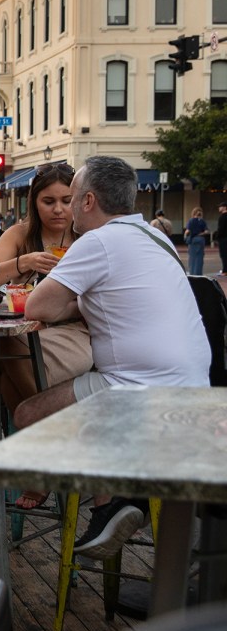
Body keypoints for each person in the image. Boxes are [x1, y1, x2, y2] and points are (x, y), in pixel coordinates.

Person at [18, 156, 211, 559]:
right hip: (194, 387)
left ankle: (114, 503)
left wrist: (64, 303)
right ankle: (124, 493)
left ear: (88, 201)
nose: (68, 208)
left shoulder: (98, 241)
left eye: (72, 199)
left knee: (28, 416)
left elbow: (38, 306)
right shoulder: (153, 238)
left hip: (137, 390)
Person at [0, 164, 93, 507]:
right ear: (34, 202)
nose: (58, 209)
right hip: (24, 329)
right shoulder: (19, 234)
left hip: (74, 331)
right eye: (48, 201)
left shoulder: (87, 237)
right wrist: (23, 260)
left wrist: (55, 310)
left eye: (66, 200)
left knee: (4, 360)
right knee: (4, 350)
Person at [185, 206, 210, 276]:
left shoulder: (191, 220)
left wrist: (186, 237)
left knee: (192, 257)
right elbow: (206, 231)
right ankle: (198, 273)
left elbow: (187, 231)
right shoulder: (202, 221)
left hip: (193, 240)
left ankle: (192, 272)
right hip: (201, 240)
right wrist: (201, 234)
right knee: (200, 258)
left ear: (193, 213)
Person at [217, 202, 227, 275]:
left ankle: (225, 271)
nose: (219, 208)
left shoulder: (222, 217)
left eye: (220, 206)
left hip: (223, 239)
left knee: (224, 255)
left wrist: (217, 237)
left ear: (224, 207)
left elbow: (221, 229)